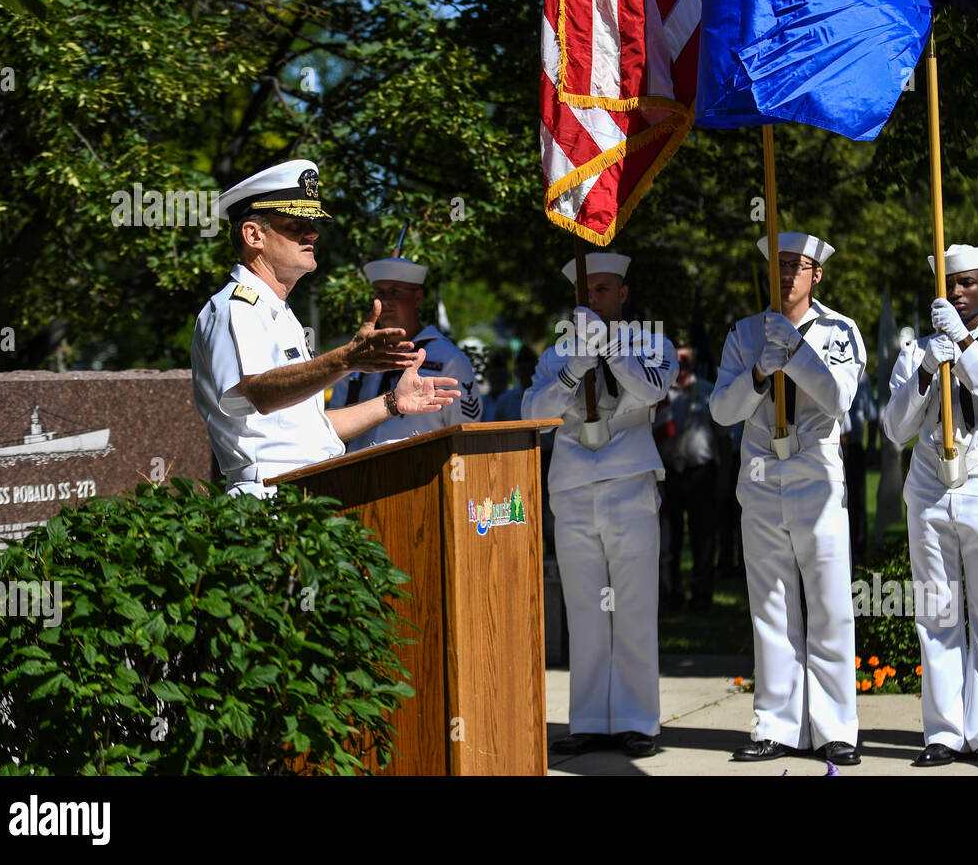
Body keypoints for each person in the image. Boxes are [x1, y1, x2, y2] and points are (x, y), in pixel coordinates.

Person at [191, 159, 460, 497]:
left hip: (307, 486)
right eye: (295, 224)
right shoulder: (237, 307)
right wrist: (345, 360)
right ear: (253, 235)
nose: (313, 233)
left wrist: (393, 403)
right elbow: (259, 392)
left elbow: (311, 429)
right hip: (271, 495)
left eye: (313, 223)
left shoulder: (279, 312)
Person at [709, 232, 864, 765]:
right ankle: (775, 725)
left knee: (828, 605)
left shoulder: (840, 330)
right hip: (760, 476)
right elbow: (721, 410)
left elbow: (839, 397)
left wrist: (796, 354)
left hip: (815, 477)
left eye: (797, 266)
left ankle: (835, 728)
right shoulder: (745, 333)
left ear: (816, 274)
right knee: (770, 607)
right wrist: (758, 371)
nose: (786, 274)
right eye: (778, 265)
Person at [882, 244, 978, 769]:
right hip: (928, 491)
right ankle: (944, 733)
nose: (957, 292)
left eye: (967, 283)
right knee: (937, 616)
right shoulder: (916, 349)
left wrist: (966, 345)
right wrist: (927, 370)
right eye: (949, 284)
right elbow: (895, 429)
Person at [522, 252, 677, 758]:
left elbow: (651, 390)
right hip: (571, 485)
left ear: (624, 294)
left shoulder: (651, 342)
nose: (594, 299)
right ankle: (589, 718)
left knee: (632, 606)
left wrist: (608, 349)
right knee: (585, 608)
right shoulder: (556, 354)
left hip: (629, 478)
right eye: (587, 293)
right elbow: (534, 416)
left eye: (604, 290)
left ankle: (637, 719)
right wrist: (572, 372)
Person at [328, 256, 481, 449]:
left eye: (395, 292)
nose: (386, 301)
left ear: (417, 298)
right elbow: (332, 429)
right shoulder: (358, 355)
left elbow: (466, 432)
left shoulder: (449, 359)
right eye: (379, 293)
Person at [657, 347, 720, 611]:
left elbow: (724, 437)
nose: (681, 365)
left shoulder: (707, 391)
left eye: (686, 359)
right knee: (671, 538)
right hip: (670, 473)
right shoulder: (660, 394)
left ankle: (702, 594)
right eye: (677, 359)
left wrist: (725, 476)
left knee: (702, 535)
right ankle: (673, 593)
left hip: (701, 473)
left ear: (694, 361)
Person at [841, 369, 877, 569]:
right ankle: (845, 552)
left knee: (858, 501)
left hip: (854, 448)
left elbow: (872, 415)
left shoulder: (862, 378)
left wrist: (871, 445)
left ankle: (859, 552)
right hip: (833, 447)